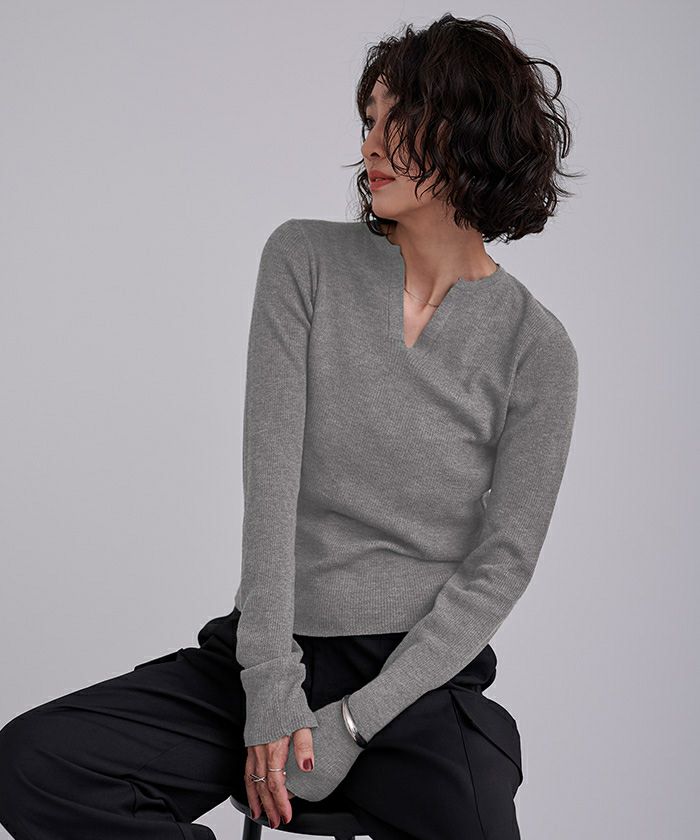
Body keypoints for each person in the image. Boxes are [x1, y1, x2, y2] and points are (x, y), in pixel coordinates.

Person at [0, 14, 579, 840]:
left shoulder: (537, 348)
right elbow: (269, 490)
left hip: (414, 678)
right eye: (368, 119)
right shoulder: (304, 262)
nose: (370, 144)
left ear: (471, 131)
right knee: (35, 763)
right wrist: (273, 691)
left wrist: (355, 723)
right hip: (272, 648)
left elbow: (501, 567)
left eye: (399, 119)